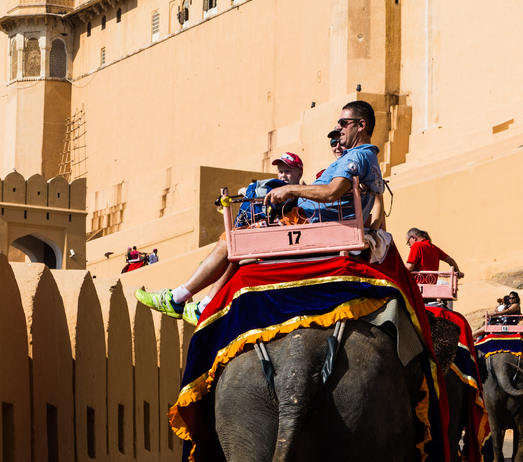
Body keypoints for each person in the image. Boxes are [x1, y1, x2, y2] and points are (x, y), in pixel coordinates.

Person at [136, 101, 383, 324]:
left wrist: (289, 190)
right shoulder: (364, 157)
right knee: (240, 242)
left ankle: (177, 298)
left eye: (343, 123)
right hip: (314, 224)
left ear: (360, 125)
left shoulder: (358, 157)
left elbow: (331, 192)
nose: (339, 128)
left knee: (231, 239)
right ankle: (202, 304)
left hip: (310, 228)